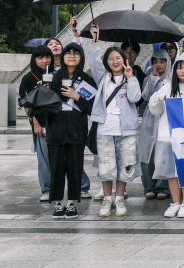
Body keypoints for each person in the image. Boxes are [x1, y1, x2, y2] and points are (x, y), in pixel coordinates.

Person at [45, 41, 97, 218]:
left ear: (81, 57)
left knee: (75, 168)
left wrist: (77, 96)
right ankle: (58, 203)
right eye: (68, 52)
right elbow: (43, 107)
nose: (72, 55)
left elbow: (92, 108)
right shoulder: (52, 78)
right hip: (56, 131)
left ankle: (72, 202)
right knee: (56, 168)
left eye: (76, 53)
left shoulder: (87, 79)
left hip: (76, 131)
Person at [90, 45, 142, 217]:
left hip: (126, 131)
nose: (115, 61)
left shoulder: (130, 78)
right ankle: (107, 199)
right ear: (107, 62)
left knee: (124, 166)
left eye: (118, 58)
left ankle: (119, 199)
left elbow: (135, 98)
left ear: (124, 60)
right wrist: (94, 44)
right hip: (105, 129)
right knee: (106, 168)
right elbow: (94, 62)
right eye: (111, 58)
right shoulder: (103, 78)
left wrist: (130, 77)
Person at [150, 51, 184, 218]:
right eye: (180, 68)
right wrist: (158, 98)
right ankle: (175, 203)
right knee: (171, 172)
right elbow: (155, 110)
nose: (183, 71)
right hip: (167, 136)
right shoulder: (168, 87)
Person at [21, 45, 58, 201]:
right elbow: (26, 104)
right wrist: (35, 123)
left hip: (57, 121)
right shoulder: (29, 78)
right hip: (41, 124)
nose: (45, 60)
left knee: (59, 157)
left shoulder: (57, 75)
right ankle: (47, 189)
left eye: (47, 57)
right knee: (44, 159)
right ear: (34, 59)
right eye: (40, 57)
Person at [138, 51, 170, 200]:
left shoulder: (171, 79)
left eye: (162, 61)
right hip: (150, 119)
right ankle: (149, 186)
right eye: (155, 61)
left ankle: (163, 186)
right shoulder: (148, 78)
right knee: (147, 153)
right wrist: (153, 79)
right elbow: (146, 96)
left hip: (165, 118)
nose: (158, 65)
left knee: (163, 151)